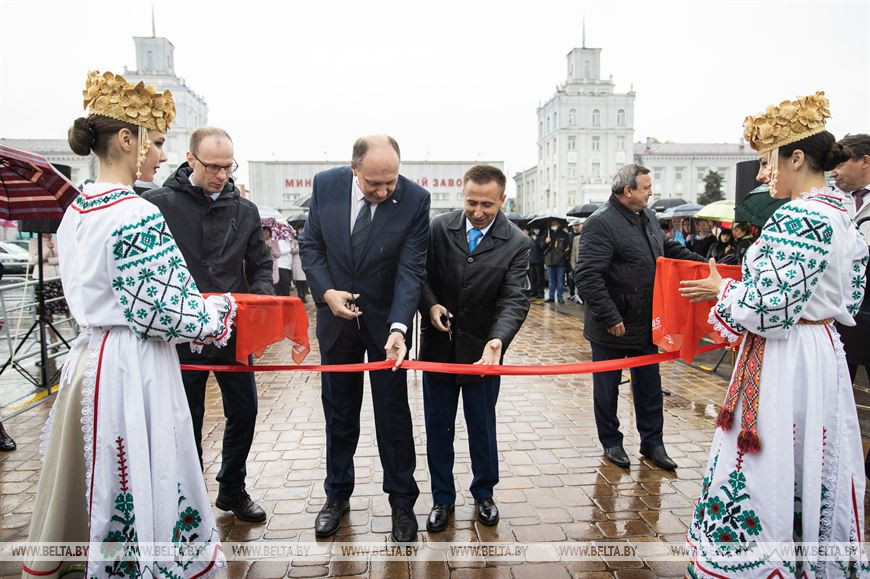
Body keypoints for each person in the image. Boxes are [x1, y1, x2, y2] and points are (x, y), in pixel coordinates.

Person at [24, 70, 231, 578]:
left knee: (95, 471)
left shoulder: (76, 210)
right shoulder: (134, 212)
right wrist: (219, 311)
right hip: (131, 365)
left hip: (88, 360)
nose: (162, 155)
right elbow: (164, 310)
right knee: (141, 463)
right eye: (156, 143)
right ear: (126, 139)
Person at [680, 92, 869, 577]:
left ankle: (759, 563)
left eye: (768, 162)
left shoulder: (800, 215)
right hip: (819, 351)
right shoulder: (843, 213)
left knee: (769, 460)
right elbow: (847, 297)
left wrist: (723, 290)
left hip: (786, 357)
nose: (763, 175)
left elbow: (768, 309)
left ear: (797, 157)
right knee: (812, 455)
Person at [300, 135, 429, 543]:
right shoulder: (325, 185)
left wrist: (399, 328)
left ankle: (402, 502)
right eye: (374, 183)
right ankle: (336, 496)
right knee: (339, 414)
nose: (384, 191)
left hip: (386, 325)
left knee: (393, 416)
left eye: (390, 181)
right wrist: (325, 291)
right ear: (353, 169)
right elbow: (311, 245)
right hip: (336, 322)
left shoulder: (414, 200)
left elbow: (411, 271)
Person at [143, 127, 274, 523]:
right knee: (187, 417)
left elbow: (261, 264)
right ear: (190, 159)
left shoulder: (245, 211)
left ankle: (232, 488)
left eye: (227, 166)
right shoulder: (158, 204)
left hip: (232, 330)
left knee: (245, 410)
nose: (221, 174)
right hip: (181, 334)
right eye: (212, 166)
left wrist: (263, 296)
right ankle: (190, 493)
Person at [419, 165, 530, 532]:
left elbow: (515, 298)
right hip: (438, 349)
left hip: (484, 352)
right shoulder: (439, 228)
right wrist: (431, 304)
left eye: (487, 204)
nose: (478, 212)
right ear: (462, 196)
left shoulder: (516, 242)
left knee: (482, 426)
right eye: (471, 203)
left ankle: (484, 493)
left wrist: (498, 339)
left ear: (502, 200)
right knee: (438, 427)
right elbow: (420, 274)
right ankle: (442, 498)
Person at [575, 164, 705, 470]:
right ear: (627, 191)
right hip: (613, 326)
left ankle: (653, 443)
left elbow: (666, 247)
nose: (651, 192)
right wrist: (610, 316)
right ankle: (611, 441)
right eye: (646, 187)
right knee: (607, 389)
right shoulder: (600, 224)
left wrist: (703, 264)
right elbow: (587, 276)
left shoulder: (646, 215)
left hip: (647, 321)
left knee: (649, 386)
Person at [543, 219, 569, 303]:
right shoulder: (547, 234)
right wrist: (546, 242)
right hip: (550, 261)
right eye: (552, 223)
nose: (553, 225)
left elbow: (568, 247)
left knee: (560, 280)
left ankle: (560, 297)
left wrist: (563, 256)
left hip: (560, 261)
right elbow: (541, 247)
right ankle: (551, 297)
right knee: (551, 280)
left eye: (555, 223)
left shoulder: (564, 234)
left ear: (559, 224)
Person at [290, 226, 308, 302]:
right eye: (299, 229)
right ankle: (300, 295)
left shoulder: (306, 239)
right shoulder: (294, 240)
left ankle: (304, 295)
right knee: (298, 280)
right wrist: (299, 249)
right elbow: (292, 250)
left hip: (305, 261)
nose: (301, 231)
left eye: (302, 229)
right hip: (297, 261)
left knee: (305, 280)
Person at [527, 228, 545, 299]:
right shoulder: (529, 238)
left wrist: (536, 240)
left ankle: (540, 292)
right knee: (532, 278)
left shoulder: (541, 237)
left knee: (539, 278)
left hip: (539, 261)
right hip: (531, 261)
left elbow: (541, 247)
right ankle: (533, 292)